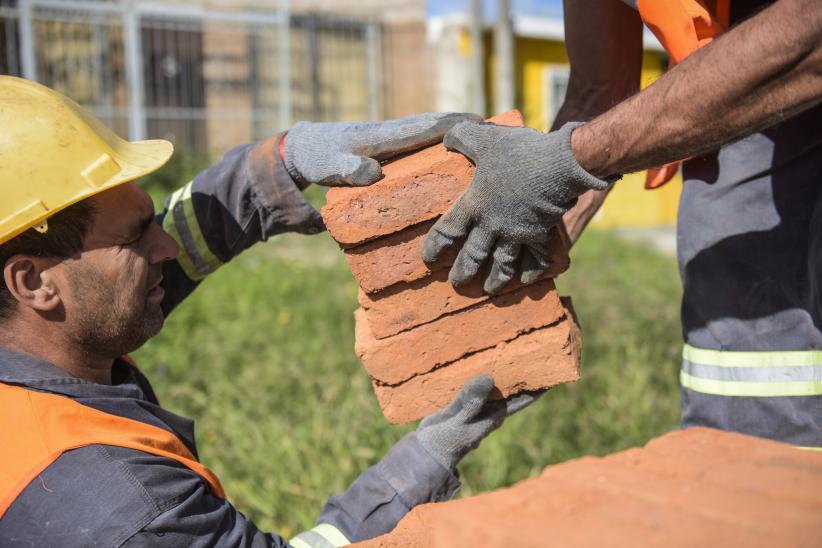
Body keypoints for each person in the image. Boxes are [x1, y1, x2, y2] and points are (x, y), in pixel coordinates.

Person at [0, 76, 536, 546]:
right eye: (136, 237)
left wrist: (286, 159)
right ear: (32, 282)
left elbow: (182, 236)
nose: (165, 248)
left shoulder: (42, 339)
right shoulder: (121, 509)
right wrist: (423, 463)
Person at [423, 0, 822, 447]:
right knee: (727, 275)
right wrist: (526, 235)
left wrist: (567, 160)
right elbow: (598, 92)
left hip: (792, 52)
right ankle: (740, 471)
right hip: (739, 82)